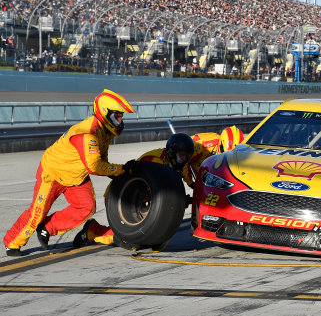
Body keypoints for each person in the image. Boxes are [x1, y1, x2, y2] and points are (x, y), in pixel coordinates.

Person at [3, 89, 136, 256]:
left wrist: (123, 172)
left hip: (76, 176)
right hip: (53, 172)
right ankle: (12, 243)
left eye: (121, 116)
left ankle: (47, 228)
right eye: (117, 116)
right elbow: (94, 167)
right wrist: (121, 169)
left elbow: (103, 162)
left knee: (86, 208)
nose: (120, 120)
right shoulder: (87, 134)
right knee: (37, 213)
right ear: (105, 114)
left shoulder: (105, 132)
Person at [72, 132, 196, 249]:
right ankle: (92, 231)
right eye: (182, 155)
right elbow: (153, 189)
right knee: (132, 241)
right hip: (120, 196)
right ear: (172, 152)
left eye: (187, 156)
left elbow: (189, 180)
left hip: (144, 200)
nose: (185, 159)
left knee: (151, 239)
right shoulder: (155, 160)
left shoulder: (182, 164)